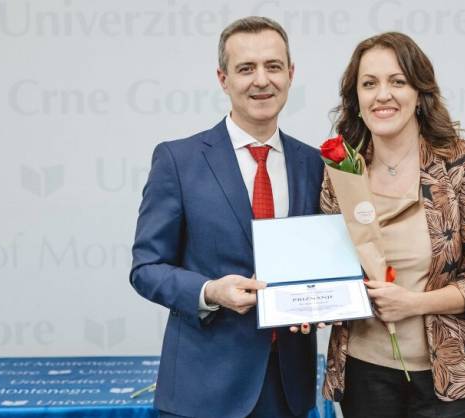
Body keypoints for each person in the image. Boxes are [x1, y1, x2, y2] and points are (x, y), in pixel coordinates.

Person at [129, 16, 323, 418]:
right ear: (223, 79)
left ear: (291, 74)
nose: (261, 80)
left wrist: (323, 301)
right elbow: (146, 268)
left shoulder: (314, 164)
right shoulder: (178, 160)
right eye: (246, 68)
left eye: (272, 66)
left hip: (288, 389)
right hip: (203, 390)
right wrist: (210, 292)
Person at [321, 32, 465, 418]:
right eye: (369, 84)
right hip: (364, 372)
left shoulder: (458, 164)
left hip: (451, 371)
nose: (383, 95)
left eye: (397, 81)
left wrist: (413, 304)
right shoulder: (341, 171)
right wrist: (312, 302)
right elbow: (328, 269)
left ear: (419, 94)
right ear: (356, 99)